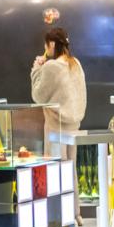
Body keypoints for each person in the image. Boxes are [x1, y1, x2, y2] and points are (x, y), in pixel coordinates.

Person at [30, 25, 87, 154]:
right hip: (74, 128)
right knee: (71, 165)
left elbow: (37, 96)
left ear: (51, 44)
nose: (45, 47)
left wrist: (37, 69)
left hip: (56, 130)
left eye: (46, 44)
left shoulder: (52, 66)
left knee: (56, 165)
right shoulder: (76, 64)